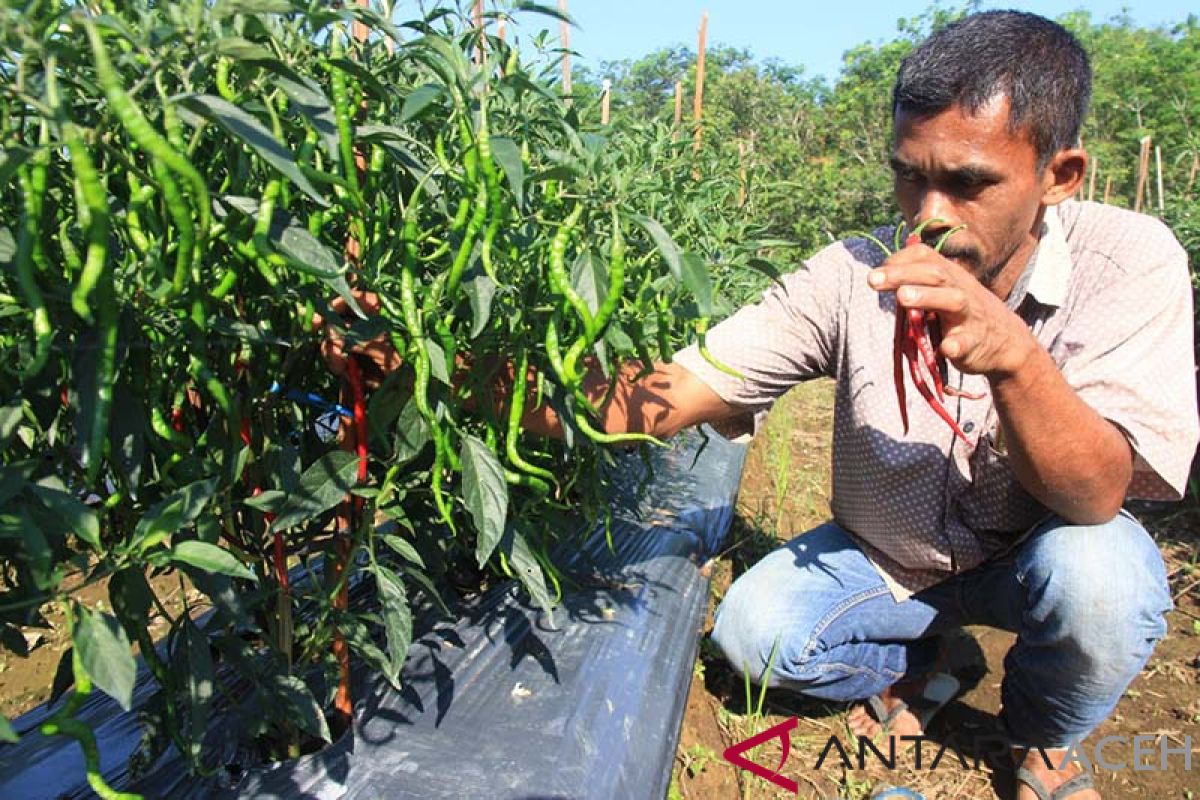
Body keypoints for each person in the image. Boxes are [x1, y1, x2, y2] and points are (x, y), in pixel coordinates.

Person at [322, 11, 1196, 799]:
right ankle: (928, 655)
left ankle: (1040, 739)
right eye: (908, 177)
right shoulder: (852, 275)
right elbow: (659, 399)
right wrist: (426, 365)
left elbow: (1094, 494)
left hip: (1035, 556)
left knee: (1105, 577)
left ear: (1060, 174)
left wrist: (1012, 354)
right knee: (757, 638)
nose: (927, 216)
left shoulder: (1129, 263)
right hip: (889, 563)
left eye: (967, 184)